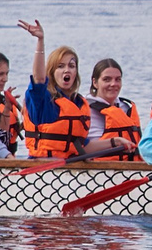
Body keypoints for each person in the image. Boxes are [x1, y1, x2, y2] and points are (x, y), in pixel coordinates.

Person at [14, 20, 98, 159]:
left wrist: (115, 142)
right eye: (60, 66)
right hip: (42, 170)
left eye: (71, 66)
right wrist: (40, 41)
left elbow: (84, 146)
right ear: (52, 72)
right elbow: (39, 79)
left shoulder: (77, 103)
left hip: (70, 169)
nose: (67, 70)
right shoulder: (42, 100)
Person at [87, 58, 142, 154]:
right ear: (95, 82)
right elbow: (83, 148)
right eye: (106, 79)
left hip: (130, 164)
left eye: (118, 79)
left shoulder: (126, 108)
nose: (113, 84)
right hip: (99, 164)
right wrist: (115, 142)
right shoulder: (85, 110)